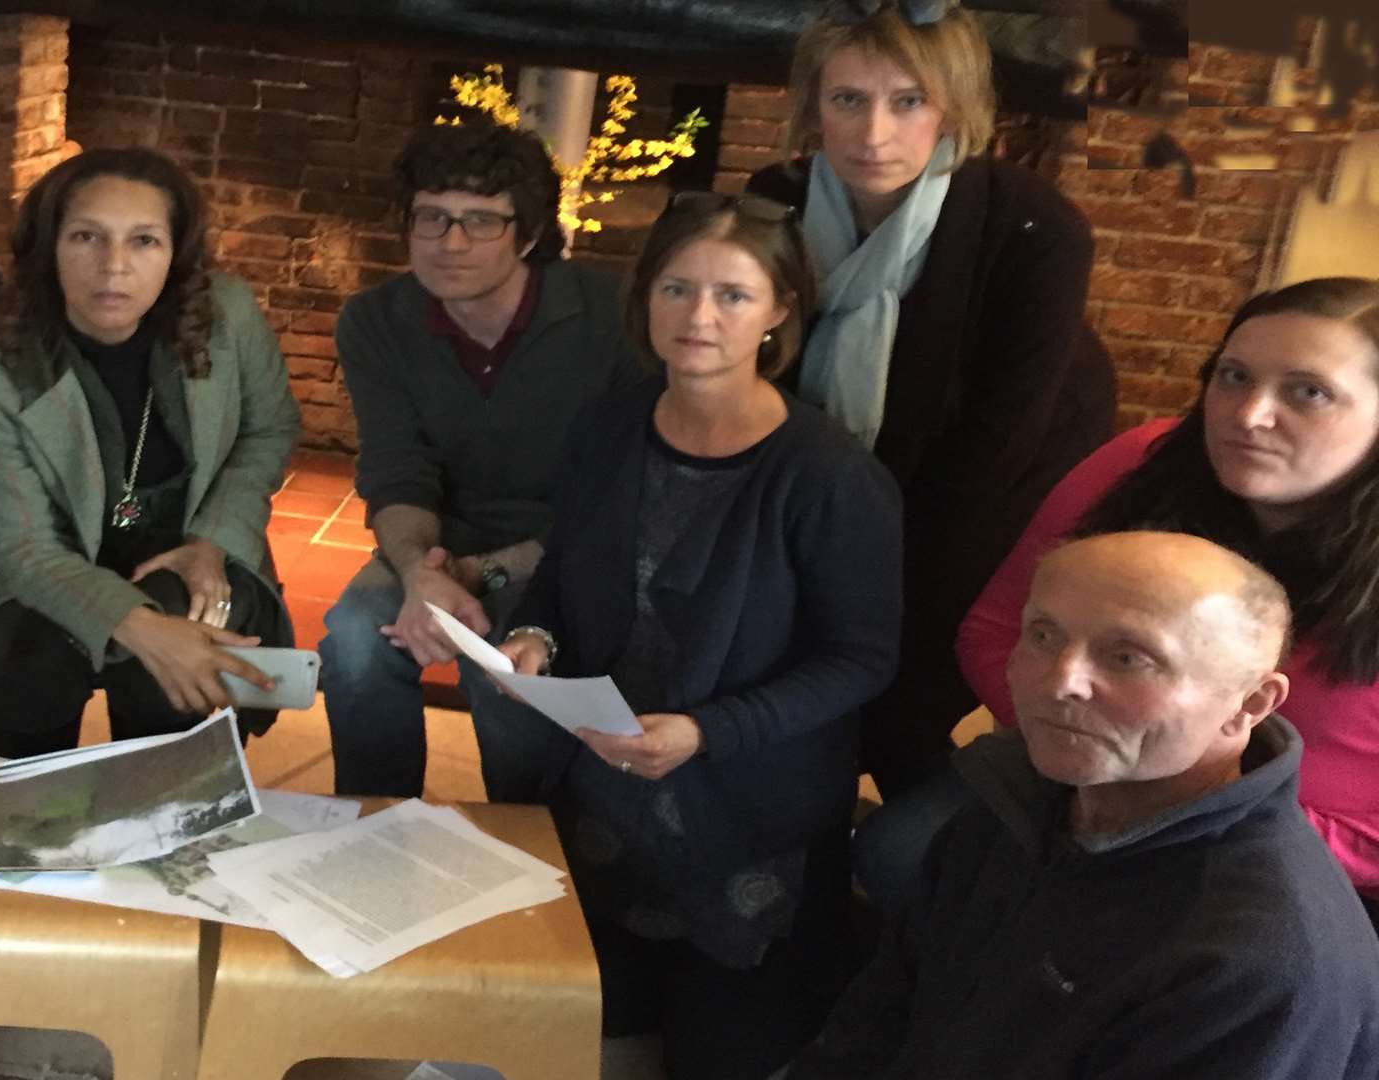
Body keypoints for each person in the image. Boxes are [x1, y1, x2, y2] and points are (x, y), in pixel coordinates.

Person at [494, 192, 902, 1079]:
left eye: (733, 295)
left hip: (751, 817)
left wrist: (710, 731)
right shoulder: (610, 427)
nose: (699, 317)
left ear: (781, 311)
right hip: (608, 788)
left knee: (725, 1052)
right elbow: (563, 576)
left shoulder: (829, 476)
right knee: (594, 1031)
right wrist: (532, 636)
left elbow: (863, 658)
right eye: (676, 289)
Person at [787, 532, 1379, 1079]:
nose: (1060, 680)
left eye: (1128, 657)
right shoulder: (1009, 808)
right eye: (1043, 635)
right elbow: (874, 1022)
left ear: (1250, 703)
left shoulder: (1260, 959)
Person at [747, 0, 1114, 801]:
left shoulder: (1033, 227)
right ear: (814, 106)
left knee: (889, 709)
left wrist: (851, 566)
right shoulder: (773, 199)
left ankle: (913, 874)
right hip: (824, 490)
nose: (874, 132)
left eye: (907, 100)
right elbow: (756, 374)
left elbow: (996, 446)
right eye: (848, 99)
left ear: (953, 105)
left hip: (984, 511)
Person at [0, 148, 298, 758]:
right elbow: (27, 550)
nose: (114, 266)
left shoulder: (229, 316)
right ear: (48, 248)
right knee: (37, 659)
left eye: (144, 241)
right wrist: (144, 631)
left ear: (176, 254)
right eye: (87, 236)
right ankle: (30, 823)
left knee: (174, 650)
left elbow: (267, 431)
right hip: (47, 554)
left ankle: (164, 820)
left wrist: (213, 541)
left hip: (194, 539)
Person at [959, 277, 1379, 930]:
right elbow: (991, 629)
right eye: (1233, 377)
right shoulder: (1143, 464)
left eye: (1308, 392)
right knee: (912, 858)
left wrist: (1180, 803)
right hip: (1078, 797)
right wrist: (1093, 756)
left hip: (1294, 867)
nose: (1248, 415)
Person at [320, 119, 640, 802]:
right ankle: (372, 828)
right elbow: (395, 468)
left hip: (566, 554)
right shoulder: (375, 320)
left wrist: (482, 572)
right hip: (439, 544)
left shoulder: (608, 316)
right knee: (353, 636)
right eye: (431, 218)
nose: (450, 242)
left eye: (480, 222)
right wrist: (418, 575)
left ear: (527, 234)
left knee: (507, 676)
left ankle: (530, 842)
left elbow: (624, 493)